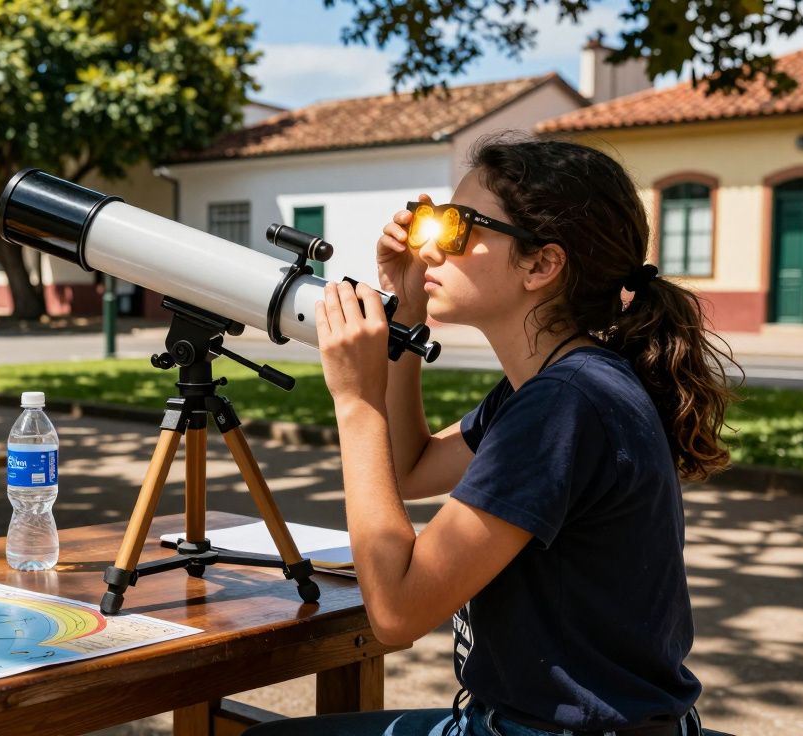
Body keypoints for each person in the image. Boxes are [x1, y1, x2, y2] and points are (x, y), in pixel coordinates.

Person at [247, 138, 732, 736]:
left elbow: (396, 614)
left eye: (458, 228)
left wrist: (356, 401)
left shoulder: (564, 405)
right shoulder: (556, 384)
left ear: (540, 265)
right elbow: (410, 467)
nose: (428, 247)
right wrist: (404, 321)